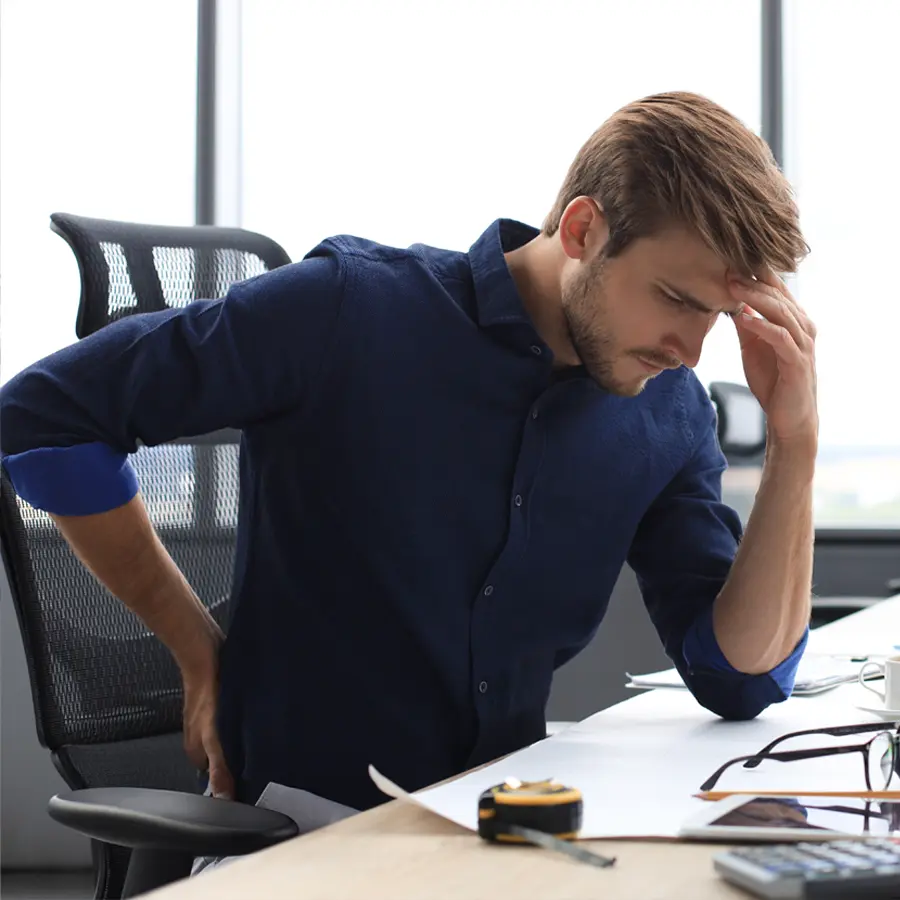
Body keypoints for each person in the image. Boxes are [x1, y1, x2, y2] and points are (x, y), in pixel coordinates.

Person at [0, 91, 817, 814]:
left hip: (495, 832)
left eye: (716, 316)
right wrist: (194, 644)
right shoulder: (349, 311)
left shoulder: (668, 411)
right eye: (674, 298)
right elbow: (42, 416)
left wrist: (796, 442)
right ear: (581, 229)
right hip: (304, 835)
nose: (690, 351)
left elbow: (738, 676)